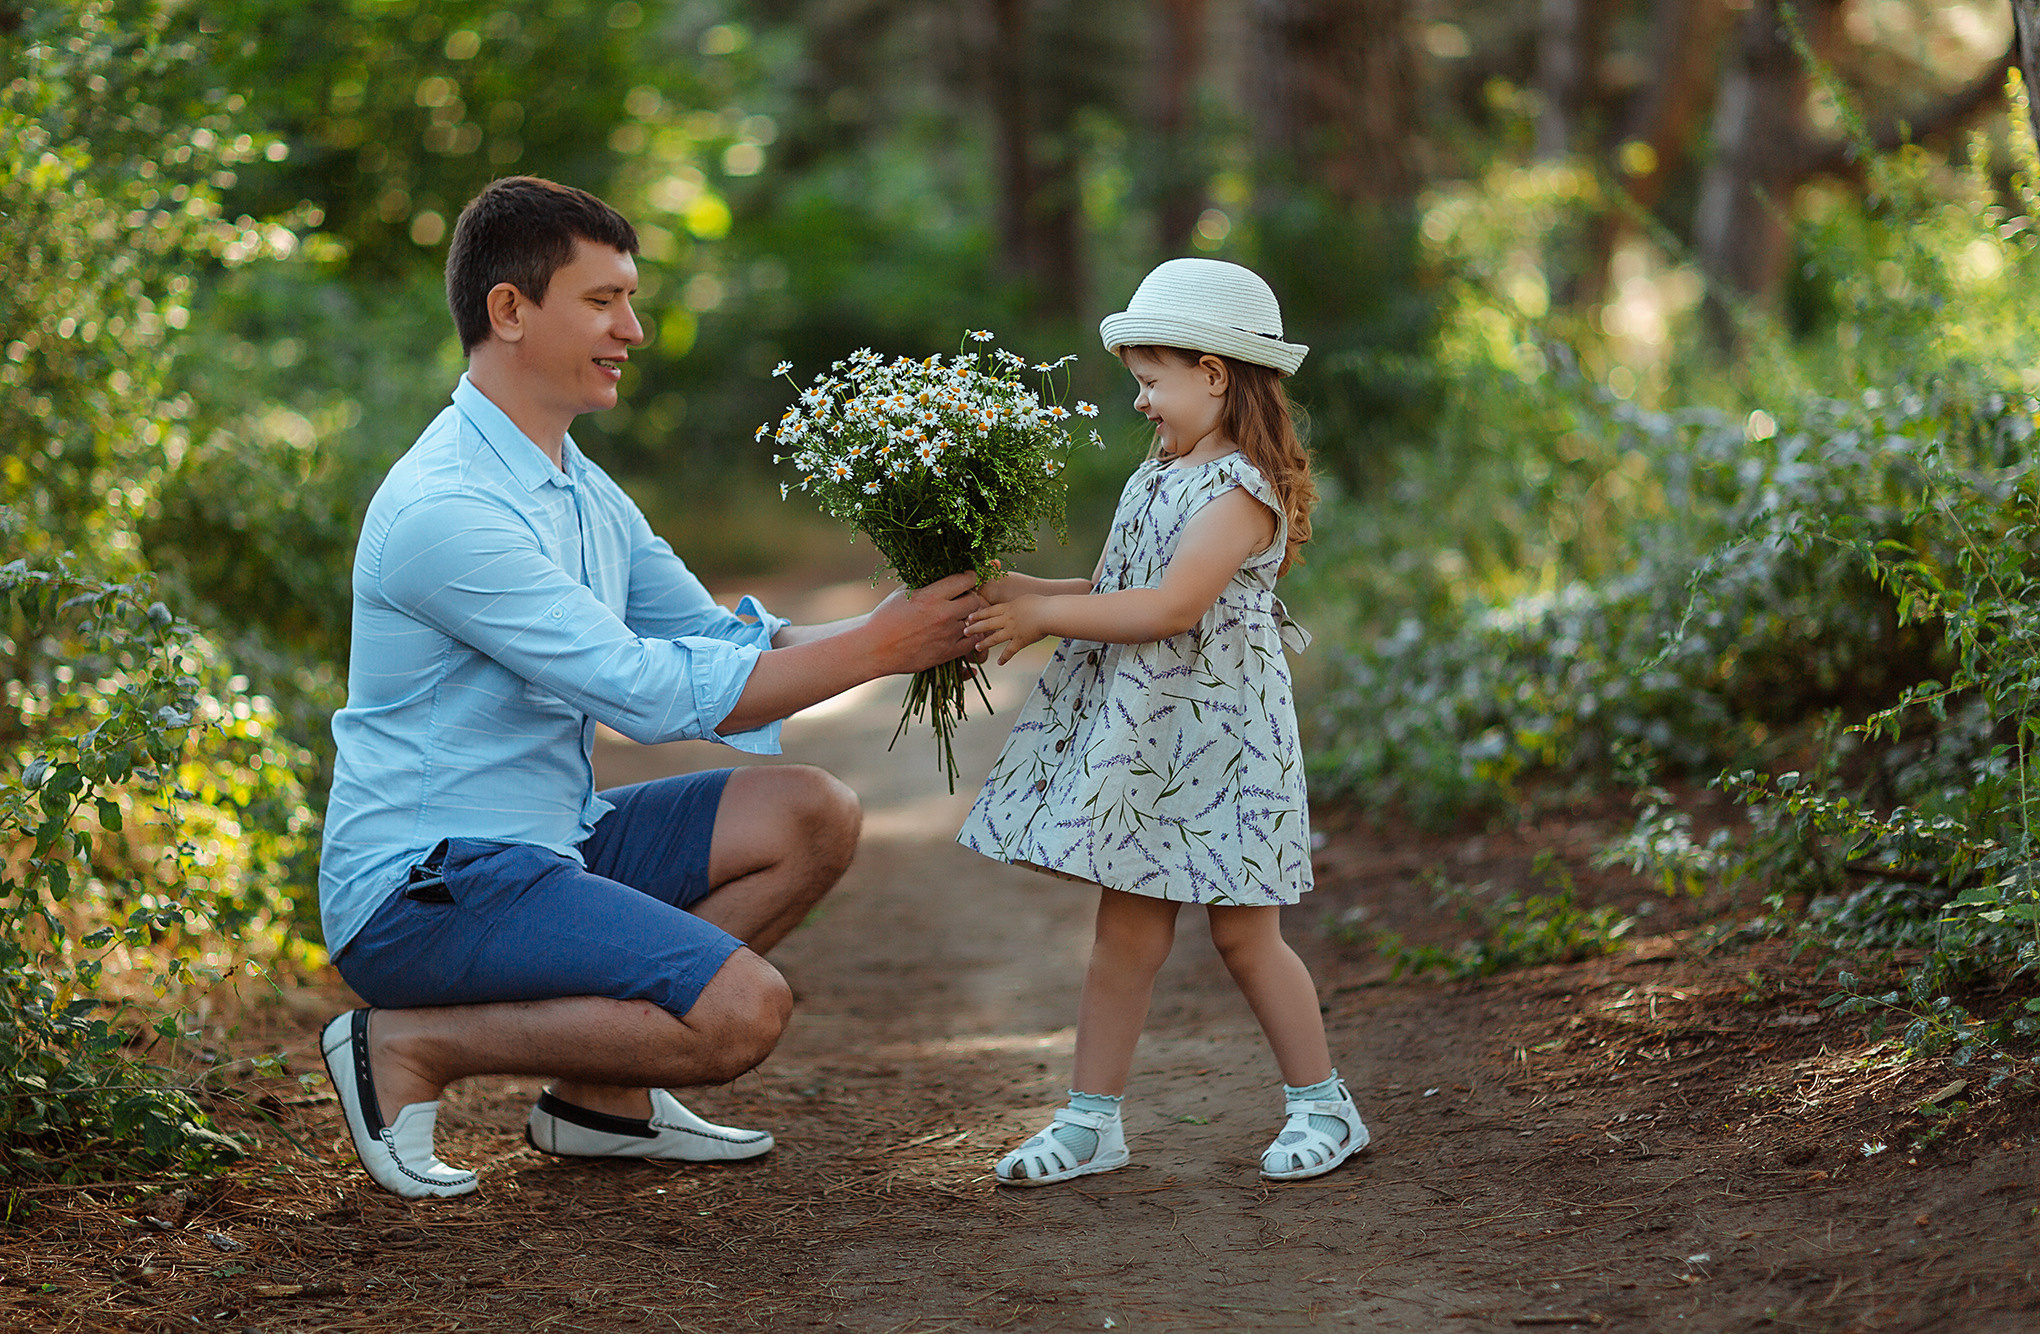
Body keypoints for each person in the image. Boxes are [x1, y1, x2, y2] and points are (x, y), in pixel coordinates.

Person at [317, 176, 982, 1200]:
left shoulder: (575, 478)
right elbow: (645, 690)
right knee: (738, 1011)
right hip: (426, 886)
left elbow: (716, 638)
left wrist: (919, 620)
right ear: (509, 309)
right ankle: (407, 1044)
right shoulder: (448, 508)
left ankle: (599, 1098)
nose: (633, 327)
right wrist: (885, 647)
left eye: (629, 299)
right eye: (602, 300)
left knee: (810, 811)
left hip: (550, 841)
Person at [956, 258, 1368, 1185]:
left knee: (1243, 936)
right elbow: (1119, 592)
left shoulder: (1238, 491)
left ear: (1213, 374)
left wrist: (1043, 620)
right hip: (1150, 749)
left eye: (1151, 381)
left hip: (1224, 750)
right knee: (1126, 934)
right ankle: (1091, 1119)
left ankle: (1324, 1106)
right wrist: (1019, 590)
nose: (1140, 402)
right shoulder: (1163, 473)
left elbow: (1171, 608)